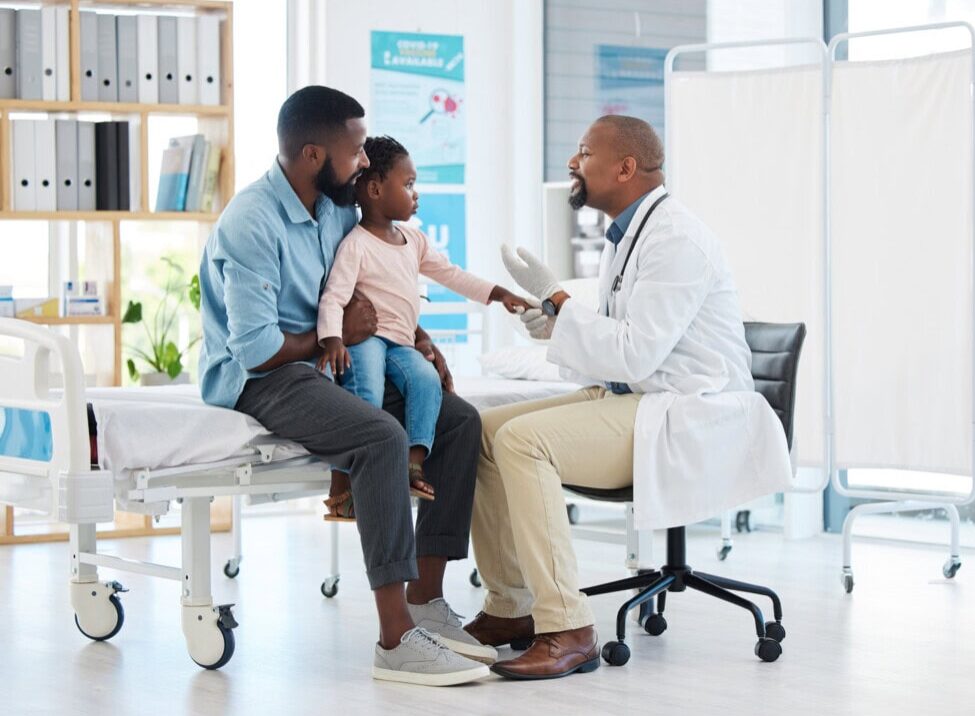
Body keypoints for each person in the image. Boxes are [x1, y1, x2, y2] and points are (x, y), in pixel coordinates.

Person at [464, 115, 791, 680]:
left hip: (690, 412)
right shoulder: (629, 234)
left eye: (584, 152)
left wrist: (560, 303)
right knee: (484, 430)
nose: (572, 163)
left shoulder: (677, 240)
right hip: (644, 396)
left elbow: (638, 354)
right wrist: (552, 317)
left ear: (625, 167)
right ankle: (511, 608)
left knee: (520, 442)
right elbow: (625, 340)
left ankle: (568, 628)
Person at [198, 85, 496, 685]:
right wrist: (330, 337)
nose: (364, 163)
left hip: (332, 363)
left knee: (459, 421)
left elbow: (379, 282)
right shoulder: (251, 222)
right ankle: (394, 640)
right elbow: (255, 351)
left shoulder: (335, 210)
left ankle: (424, 602)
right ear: (313, 154)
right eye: (357, 150)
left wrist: (416, 337)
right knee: (381, 437)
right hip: (265, 376)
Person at [316, 135, 530, 521]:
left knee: (427, 381)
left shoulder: (413, 240)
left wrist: (497, 294)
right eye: (409, 184)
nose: (417, 194)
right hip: (366, 339)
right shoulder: (356, 245)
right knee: (365, 392)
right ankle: (346, 485)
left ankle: (413, 465)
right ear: (376, 189)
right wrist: (332, 338)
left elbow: (452, 275)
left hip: (400, 342)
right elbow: (334, 296)